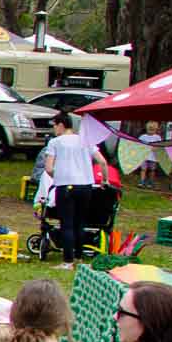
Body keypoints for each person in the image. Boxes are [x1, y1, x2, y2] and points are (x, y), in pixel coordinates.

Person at [43, 112, 108, 267]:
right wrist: (104, 180)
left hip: (65, 185)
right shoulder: (85, 140)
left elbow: (48, 167)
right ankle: (79, 257)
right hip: (85, 186)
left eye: (54, 125)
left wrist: (56, 176)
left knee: (67, 223)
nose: (53, 129)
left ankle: (67, 261)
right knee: (80, 222)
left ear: (61, 124)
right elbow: (102, 161)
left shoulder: (55, 142)